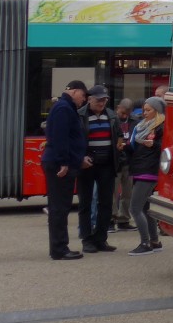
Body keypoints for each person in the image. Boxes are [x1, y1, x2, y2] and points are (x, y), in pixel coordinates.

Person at [42, 80, 89, 260]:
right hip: (59, 164)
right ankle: (59, 249)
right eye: (83, 95)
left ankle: (59, 247)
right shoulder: (64, 108)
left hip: (60, 161)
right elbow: (60, 137)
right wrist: (64, 162)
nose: (84, 100)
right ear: (75, 91)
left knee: (60, 207)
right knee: (59, 208)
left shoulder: (64, 107)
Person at [77, 85, 120, 253]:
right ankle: (87, 239)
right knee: (85, 203)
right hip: (87, 165)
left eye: (104, 100)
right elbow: (75, 139)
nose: (102, 103)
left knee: (106, 203)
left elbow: (118, 137)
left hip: (107, 164)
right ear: (89, 99)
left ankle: (101, 238)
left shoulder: (111, 115)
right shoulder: (80, 115)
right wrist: (81, 157)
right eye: (99, 100)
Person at [127, 96, 165, 255]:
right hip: (139, 167)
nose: (144, 113)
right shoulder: (141, 126)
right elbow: (134, 147)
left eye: (148, 110)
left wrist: (154, 144)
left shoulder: (161, 126)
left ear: (157, 111)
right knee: (145, 208)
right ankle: (154, 241)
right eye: (144, 110)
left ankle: (145, 243)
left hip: (148, 170)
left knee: (134, 208)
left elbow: (166, 147)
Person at [111, 98, 136, 231]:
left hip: (129, 162)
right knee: (113, 193)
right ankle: (111, 219)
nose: (125, 116)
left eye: (127, 113)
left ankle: (124, 219)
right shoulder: (112, 121)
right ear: (117, 108)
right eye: (122, 113)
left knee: (127, 193)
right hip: (116, 162)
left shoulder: (135, 122)